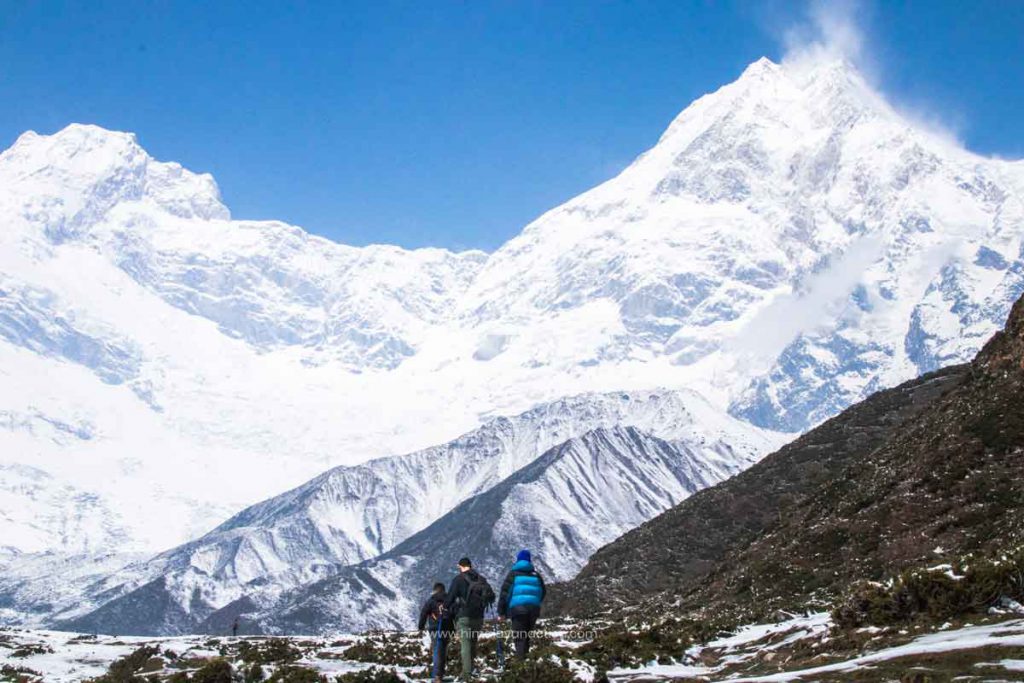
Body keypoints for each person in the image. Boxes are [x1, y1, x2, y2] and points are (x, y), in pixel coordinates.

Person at [443, 557, 495, 681]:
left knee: (465, 644)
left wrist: (445, 608)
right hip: (479, 617)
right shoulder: (481, 579)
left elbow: (450, 598)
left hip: (464, 616)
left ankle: (467, 673)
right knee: (473, 643)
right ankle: (471, 669)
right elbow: (491, 596)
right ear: (470, 566)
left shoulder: (458, 579)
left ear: (460, 566)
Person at [498, 549, 546, 661]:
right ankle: (526, 662)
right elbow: (543, 591)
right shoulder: (536, 575)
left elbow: (505, 593)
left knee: (519, 638)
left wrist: (501, 612)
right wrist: (535, 602)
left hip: (518, 610)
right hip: (533, 610)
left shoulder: (513, 574)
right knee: (527, 637)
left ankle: (520, 665)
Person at [417, 582, 454, 682]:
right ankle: (440, 674)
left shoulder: (431, 600)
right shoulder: (449, 600)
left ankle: (437, 676)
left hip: (434, 628)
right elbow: (455, 614)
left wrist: (421, 627)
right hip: (447, 629)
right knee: (443, 650)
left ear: (435, 590)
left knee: (437, 650)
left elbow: (423, 613)